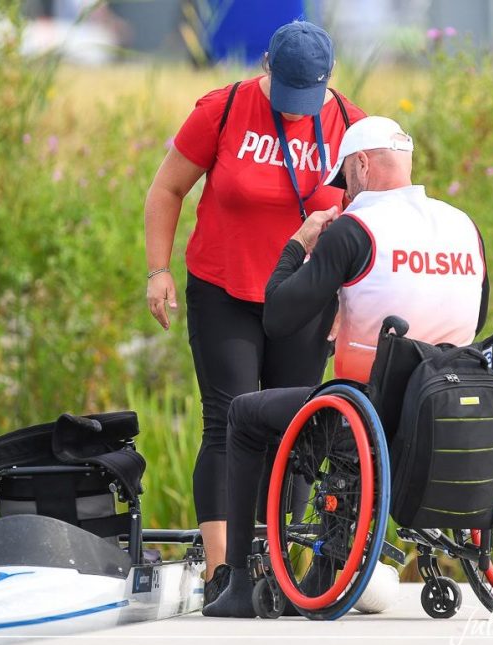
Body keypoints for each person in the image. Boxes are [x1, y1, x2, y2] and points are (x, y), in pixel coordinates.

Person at [203, 116, 491, 618]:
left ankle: (237, 581)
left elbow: (278, 316)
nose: (344, 193)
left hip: (371, 412)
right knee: (343, 405)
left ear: (361, 164)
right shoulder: (464, 225)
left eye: (345, 180)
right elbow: (478, 315)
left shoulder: (355, 228)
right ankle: (325, 567)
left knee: (245, 416)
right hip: (451, 408)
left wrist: (298, 245)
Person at [144, 20, 366, 591]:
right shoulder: (222, 109)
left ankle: (280, 568)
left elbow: (371, 224)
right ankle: (223, 570)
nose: (295, 111)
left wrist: (353, 302)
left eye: (306, 97)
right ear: (267, 67)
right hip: (224, 289)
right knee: (227, 420)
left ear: (328, 81)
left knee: (294, 427)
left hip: (305, 299)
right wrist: (159, 270)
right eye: (287, 93)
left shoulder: (350, 125)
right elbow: (167, 189)